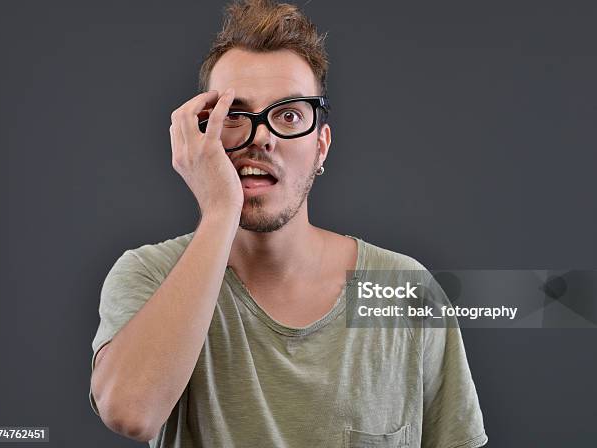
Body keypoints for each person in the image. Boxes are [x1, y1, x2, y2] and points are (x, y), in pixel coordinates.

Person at [89, 1, 488, 447]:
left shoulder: (405, 289)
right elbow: (130, 412)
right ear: (202, 137)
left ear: (321, 147)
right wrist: (220, 212)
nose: (261, 138)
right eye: (234, 117)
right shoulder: (149, 273)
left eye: (290, 115)